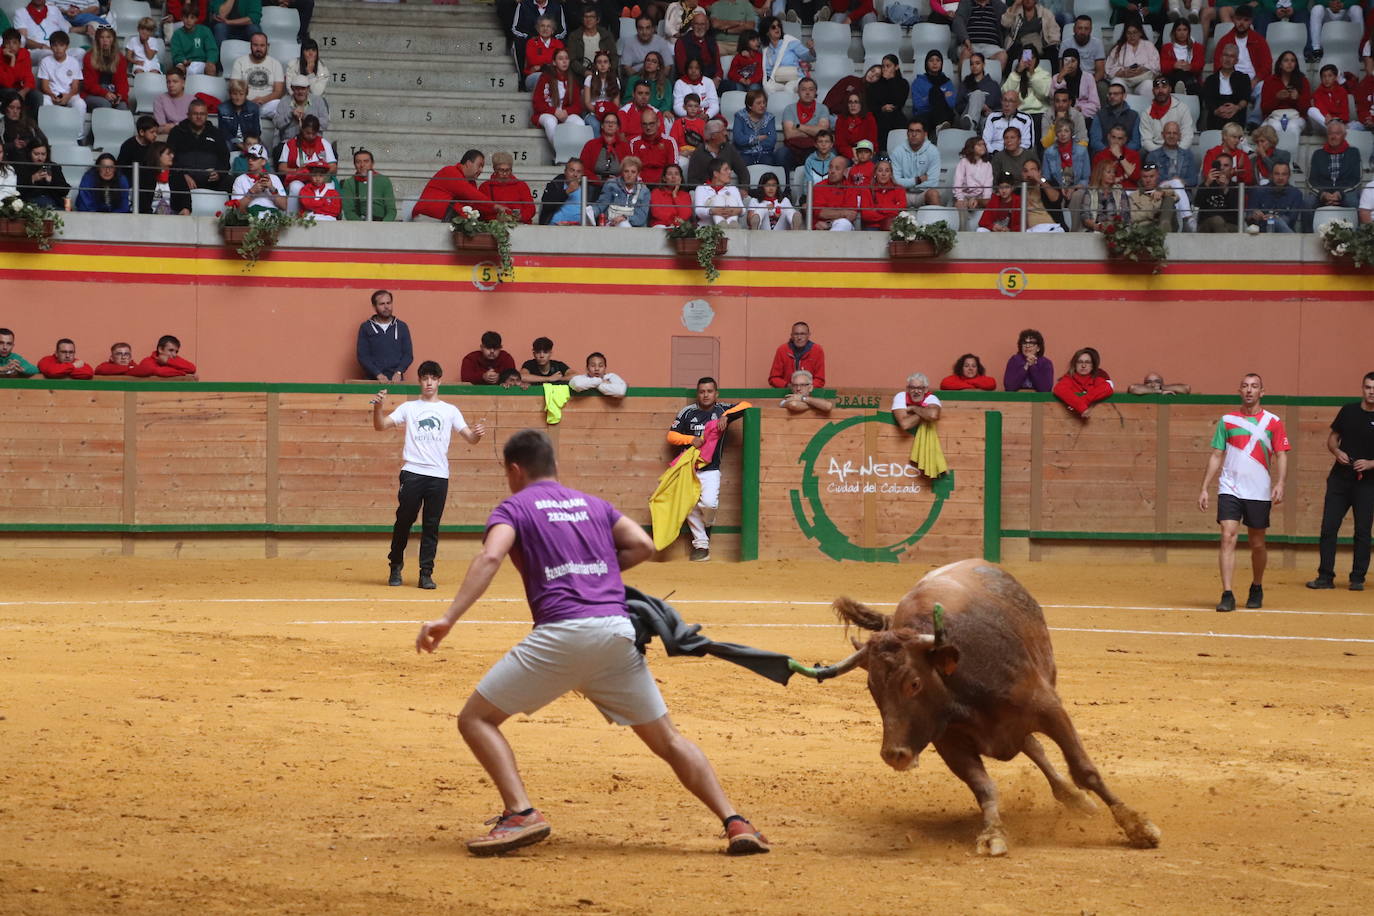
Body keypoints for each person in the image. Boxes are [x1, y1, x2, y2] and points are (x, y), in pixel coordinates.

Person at [414, 428, 769, 857]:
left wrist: (449, 617)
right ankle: (734, 821)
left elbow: (491, 555)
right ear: (555, 467)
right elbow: (642, 544)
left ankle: (520, 812)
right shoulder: (592, 504)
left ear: (514, 470)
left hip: (562, 633)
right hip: (615, 633)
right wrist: (600, 574)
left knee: (476, 720)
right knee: (669, 741)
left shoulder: (515, 506)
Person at [372, 361, 485, 590]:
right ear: (420, 381)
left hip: (438, 475)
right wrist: (378, 407)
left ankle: (426, 573)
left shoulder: (450, 410)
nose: (429, 382)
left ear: (439, 381)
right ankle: (395, 565)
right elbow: (381, 426)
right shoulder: (409, 408)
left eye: (433, 378)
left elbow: (470, 439)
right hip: (413, 471)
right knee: (404, 521)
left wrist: (478, 434)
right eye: (425, 378)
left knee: (431, 526)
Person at [1198, 373, 1290, 612]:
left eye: (1254, 387)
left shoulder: (1273, 422)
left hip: (1259, 490)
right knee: (1228, 535)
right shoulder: (1227, 420)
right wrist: (1205, 487)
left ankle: (1256, 586)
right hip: (1230, 488)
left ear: (1262, 392)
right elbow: (1217, 455)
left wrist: (1280, 482)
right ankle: (1227, 593)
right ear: (1239, 391)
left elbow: (1281, 454)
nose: (1249, 390)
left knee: (1257, 543)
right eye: (1245, 386)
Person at [666, 378, 751, 562]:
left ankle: (709, 522)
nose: (706, 395)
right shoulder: (687, 412)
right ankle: (701, 545)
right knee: (688, 505)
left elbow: (747, 405)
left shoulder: (721, 410)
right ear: (698, 394)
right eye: (702, 391)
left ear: (716, 394)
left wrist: (727, 416)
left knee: (709, 504)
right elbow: (671, 436)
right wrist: (690, 440)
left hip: (711, 468)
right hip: (688, 468)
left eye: (709, 391)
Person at [1308, 372, 1374, 592]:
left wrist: (1370, 463)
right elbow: (1333, 438)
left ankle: (1357, 578)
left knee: (1363, 531)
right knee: (1328, 527)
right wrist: (1336, 452)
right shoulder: (1348, 411)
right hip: (1339, 479)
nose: (1371, 391)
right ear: (1362, 388)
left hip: (1368, 483)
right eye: (1367, 387)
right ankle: (1325, 576)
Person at [412, 150, 494, 223]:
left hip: (446, 222)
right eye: (479, 165)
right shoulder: (450, 171)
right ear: (468, 163)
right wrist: (494, 206)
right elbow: (468, 192)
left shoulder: (471, 183)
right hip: (427, 219)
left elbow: (471, 206)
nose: (481, 170)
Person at [1306, 118, 1363, 219]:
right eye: (1330, 134)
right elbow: (1311, 180)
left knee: (1352, 202)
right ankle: (1307, 234)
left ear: (1344, 135)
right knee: (1308, 203)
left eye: (1337, 133)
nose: (1333, 137)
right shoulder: (1318, 154)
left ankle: (1355, 233)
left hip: (1346, 191)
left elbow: (1357, 179)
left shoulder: (1353, 152)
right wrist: (1322, 194)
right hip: (1323, 191)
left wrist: (1340, 193)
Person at [357, 289, 412, 383]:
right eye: (382, 304)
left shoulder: (402, 326)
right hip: (372, 381)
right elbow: (363, 356)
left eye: (388, 303)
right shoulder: (365, 327)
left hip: (396, 381)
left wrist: (399, 372)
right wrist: (377, 374)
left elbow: (408, 355)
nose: (386, 307)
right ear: (374, 307)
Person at [229, 32, 284, 118]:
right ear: (250, 46)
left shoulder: (276, 64)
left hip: (266, 105)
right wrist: (249, 103)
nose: (258, 48)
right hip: (244, 104)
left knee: (279, 104)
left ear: (267, 46)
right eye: (255, 45)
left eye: (262, 45)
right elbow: (234, 88)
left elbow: (278, 91)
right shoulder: (239, 62)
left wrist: (262, 100)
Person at [891, 120, 943, 208]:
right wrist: (917, 180)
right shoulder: (898, 151)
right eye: (911, 131)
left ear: (925, 134)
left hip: (923, 193)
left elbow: (932, 182)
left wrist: (907, 182)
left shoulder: (933, 151)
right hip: (903, 193)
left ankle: (939, 221)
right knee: (888, 193)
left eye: (918, 131)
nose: (914, 134)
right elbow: (895, 181)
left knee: (933, 194)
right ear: (907, 133)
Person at [1213, 5, 1271, 82]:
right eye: (1239, 19)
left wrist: (1255, 81)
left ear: (1251, 21)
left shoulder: (1259, 41)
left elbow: (1267, 65)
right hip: (1231, 80)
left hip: (1255, 81)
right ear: (1233, 19)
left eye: (1246, 20)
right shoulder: (1225, 41)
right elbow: (1218, 65)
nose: (1241, 23)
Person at [686, 118, 748, 190]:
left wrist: (744, 189)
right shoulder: (699, 153)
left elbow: (743, 172)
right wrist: (708, 190)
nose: (726, 133)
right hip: (706, 193)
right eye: (722, 131)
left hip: (726, 191)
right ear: (713, 136)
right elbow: (692, 180)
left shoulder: (729, 149)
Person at [1052, 346, 1112, 418]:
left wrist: (1083, 401)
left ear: (1092, 366)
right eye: (1080, 362)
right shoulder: (1068, 379)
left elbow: (1107, 388)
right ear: (1075, 365)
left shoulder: (1096, 379)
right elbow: (1059, 389)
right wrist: (1082, 407)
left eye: (1087, 362)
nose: (1083, 365)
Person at [1202, 43, 1252, 130]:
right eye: (1226, 55)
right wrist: (1217, 111)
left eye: (1232, 56)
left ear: (1236, 61)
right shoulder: (1211, 79)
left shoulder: (1243, 78)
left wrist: (1236, 107)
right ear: (1221, 58)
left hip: (1236, 115)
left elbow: (1245, 99)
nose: (1228, 59)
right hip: (1216, 115)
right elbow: (1208, 100)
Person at [955, 0, 1010, 79]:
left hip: (992, 48)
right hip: (970, 45)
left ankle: (989, 87)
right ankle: (964, 87)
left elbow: (1008, 22)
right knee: (965, 53)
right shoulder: (966, 3)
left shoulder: (999, 5)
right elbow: (958, 21)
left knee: (1002, 56)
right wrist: (965, 39)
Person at [338, 148, 396, 222]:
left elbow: (391, 210)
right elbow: (348, 211)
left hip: (381, 222)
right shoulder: (349, 183)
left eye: (366, 161)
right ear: (354, 165)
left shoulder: (384, 180)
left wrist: (383, 225)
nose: (362, 165)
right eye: (358, 162)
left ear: (372, 163)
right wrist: (362, 226)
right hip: (358, 224)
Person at [592, 154, 651, 226]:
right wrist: (590, 212)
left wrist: (624, 218)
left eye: (633, 172)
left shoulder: (644, 191)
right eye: (626, 171)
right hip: (611, 223)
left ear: (638, 174)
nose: (629, 175)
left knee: (624, 224)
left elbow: (641, 217)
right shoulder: (611, 184)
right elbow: (601, 205)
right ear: (622, 172)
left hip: (634, 227)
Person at [1140, 76, 1195, 153]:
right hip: (1156, 152)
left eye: (1164, 87)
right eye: (1157, 88)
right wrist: (1162, 153)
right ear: (1153, 91)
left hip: (1179, 150)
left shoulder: (1182, 108)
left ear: (1170, 89)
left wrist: (1175, 152)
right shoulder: (1146, 113)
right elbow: (1146, 141)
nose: (1160, 91)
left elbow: (1188, 137)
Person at [1104, 20, 1158, 98]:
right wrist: (1123, 72)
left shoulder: (1149, 46)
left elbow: (1156, 66)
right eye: (1129, 33)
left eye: (1135, 32)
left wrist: (1142, 68)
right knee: (1116, 83)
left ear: (1140, 33)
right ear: (1125, 34)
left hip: (1142, 80)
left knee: (1149, 85)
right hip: (1124, 81)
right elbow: (1108, 69)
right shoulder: (1118, 48)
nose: (1132, 36)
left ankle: (1146, 110)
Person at [37, 30, 84, 116]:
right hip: (51, 95)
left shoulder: (74, 62)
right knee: (44, 102)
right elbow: (44, 86)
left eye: (61, 45)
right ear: (51, 47)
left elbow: (75, 87)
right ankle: (46, 129)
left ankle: (78, 129)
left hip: (69, 94)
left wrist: (68, 96)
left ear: (66, 47)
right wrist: (52, 95)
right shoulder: (45, 61)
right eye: (55, 45)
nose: (58, 49)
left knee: (80, 104)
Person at [1247, 160, 1303, 231]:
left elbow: (1291, 220)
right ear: (1271, 175)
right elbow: (1248, 217)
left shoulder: (1296, 194)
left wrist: (1274, 218)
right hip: (1261, 233)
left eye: (1284, 174)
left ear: (1289, 176)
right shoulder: (1258, 191)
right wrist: (1253, 215)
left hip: (1284, 235)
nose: (1280, 178)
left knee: (1275, 221)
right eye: (1277, 174)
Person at [481, 151, 536, 224]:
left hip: (519, 223)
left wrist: (520, 217)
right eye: (501, 170)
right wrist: (497, 218)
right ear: (494, 169)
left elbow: (531, 209)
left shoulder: (521, 185)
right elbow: (483, 210)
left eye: (508, 170)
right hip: (496, 224)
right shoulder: (485, 187)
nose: (504, 174)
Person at [82, 24, 127, 111]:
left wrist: (119, 96)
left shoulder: (120, 58)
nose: (105, 40)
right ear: (97, 40)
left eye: (108, 37)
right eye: (102, 37)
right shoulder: (89, 57)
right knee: (105, 104)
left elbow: (123, 83)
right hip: (93, 94)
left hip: (113, 93)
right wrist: (104, 93)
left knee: (122, 106)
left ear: (113, 39)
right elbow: (89, 85)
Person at [1089, 79, 1141, 155]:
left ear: (1124, 96)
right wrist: (1110, 152)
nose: (1112, 96)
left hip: (1127, 155)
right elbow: (1095, 141)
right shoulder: (1100, 114)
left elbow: (1136, 142)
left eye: (1116, 94)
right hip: (1104, 154)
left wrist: (1120, 153)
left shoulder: (1134, 115)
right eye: (1110, 94)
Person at [230, 142, 286, 212]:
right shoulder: (239, 180)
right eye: (248, 157)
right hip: (250, 218)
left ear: (263, 161)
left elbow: (284, 206)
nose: (250, 160)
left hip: (272, 216)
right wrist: (251, 192)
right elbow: (236, 210)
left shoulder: (274, 178)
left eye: (254, 158)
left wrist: (272, 189)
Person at [630, 106, 679, 185]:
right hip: (640, 185)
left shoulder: (669, 141)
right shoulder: (634, 143)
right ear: (641, 125)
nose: (648, 127)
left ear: (658, 123)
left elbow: (673, 168)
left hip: (663, 185)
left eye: (651, 123)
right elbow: (633, 168)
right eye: (645, 124)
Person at [2, 29, 43, 121]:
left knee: (37, 95)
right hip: (3, 89)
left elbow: (28, 76)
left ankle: (31, 125)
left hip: (19, 89)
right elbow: (7, 82)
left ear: (19, 44)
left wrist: (24, 91)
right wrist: (12, 59)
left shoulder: (24, 53)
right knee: (11, 93)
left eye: (14, 43)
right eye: (8, 43)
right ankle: (10, 125)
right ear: (3, 45)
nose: (11, 46)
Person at [768, 322, 825, 389]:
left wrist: (806, 388)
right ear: (791, 335)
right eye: (796, 334)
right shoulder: (782, 350)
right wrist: (788, 386)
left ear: (808, 335)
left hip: (810, 393)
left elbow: (820, 379)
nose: (799, 337)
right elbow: (774, 378)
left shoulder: (817, 350)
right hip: (786, 392)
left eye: (803, 334)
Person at [1049, 49, 1098, 126]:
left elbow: (1095, 105)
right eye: (1067, 60)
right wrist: (1060, 78)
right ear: (1062, 63)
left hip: (1083, 114)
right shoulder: (1056, 77)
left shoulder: (1088, 77)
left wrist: (1080, 108)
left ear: (1078, 62)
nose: (1070, 64)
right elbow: (1053, 99)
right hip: (1061, 114)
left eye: (1073, 61)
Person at [567, 7, 615, 84]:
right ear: (582, 19)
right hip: (580, 75)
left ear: (597, 20)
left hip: (604, 74)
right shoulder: (574, 36)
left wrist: (607, 71)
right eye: (586, 17)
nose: (588, 20)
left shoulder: (606, 36)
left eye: (592, 17)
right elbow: (572, 59)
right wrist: (584, 71)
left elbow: (614, 56)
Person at [273, 74, 328, 142]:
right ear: (292, 88)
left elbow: (325, 124)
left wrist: (307, 118)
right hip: (289, 142)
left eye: (303, 88)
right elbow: (277, 124)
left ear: (308, 88)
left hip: (313, 143)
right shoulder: (284, 101)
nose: (300, 91)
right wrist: (290, 115)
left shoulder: (318, 101)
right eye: (297, 88)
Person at [811, 155, 861, 230]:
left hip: (840, 225)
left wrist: (829, 224)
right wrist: (843, 213)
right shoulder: (819, 186)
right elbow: (821, 213)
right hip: (820, 227)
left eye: (837, 168)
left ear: (845, 171)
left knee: (844, 223)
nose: (832, 171)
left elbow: (851, 215)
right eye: (830, 167)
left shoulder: (851, 188)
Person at [17, 141, 70, 210]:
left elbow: (65, 191)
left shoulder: (53, 167)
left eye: (43, 154)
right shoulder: (22, 167)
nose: (40, 158)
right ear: (29, 153)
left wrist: (51, 181)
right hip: (30, 205)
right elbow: (17, 191)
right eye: (36, 154)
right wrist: (32, 179)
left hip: (53, 205)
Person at [692, 157, 744, 227]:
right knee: (718, 198)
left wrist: (737, 210)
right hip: (707, 228)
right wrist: (712, 211)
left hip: (730, 226)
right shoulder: (701, 188)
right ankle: (721, 225)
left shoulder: (733, 189)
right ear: (716, 174)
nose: (730, 172)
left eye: (729, 169)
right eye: (726, 169)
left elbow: (743, 209)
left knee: (731, 199)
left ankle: (732, 224)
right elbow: (698, 211)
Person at [731, 89, 777, 167]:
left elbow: (771, 141)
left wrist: (749, 141)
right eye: (759, 103)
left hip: (765, 154)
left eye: (764, 102)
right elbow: (739, 139)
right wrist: (758, 138)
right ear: (750, 105)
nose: (762, 105)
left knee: (768, 162)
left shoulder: (770, 117)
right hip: (744, 154)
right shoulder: (740, 116)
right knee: (743, 164)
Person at [1159, 18, 1204, 97]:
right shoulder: (1167, 47)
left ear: (1188, 32)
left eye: (1185, 30)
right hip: (1172, 77)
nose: (1182, 33)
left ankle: (1182, 89)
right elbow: (1162, 66)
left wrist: (1190, 67)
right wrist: (1174, 65)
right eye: (1179, 30)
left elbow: (1200, 65)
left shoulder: (1197, 47)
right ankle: (1181, 89)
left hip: (1191, 76)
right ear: (1174, 32)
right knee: (1179, 73)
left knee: (1191, 81)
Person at [957, 52, 1001, 133]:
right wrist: (976, 105)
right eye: (971, 64)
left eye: (977, 63)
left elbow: (999, 108)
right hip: (967, 116)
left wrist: (988, 110)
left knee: (987, 121)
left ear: (983, 64)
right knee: (977, 93)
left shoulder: (993, 85)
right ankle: (971, 124)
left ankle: (974, 128)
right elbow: (959, 106)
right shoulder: (965, 83)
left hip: (986, 117)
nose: (974, 66)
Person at [619, 16, 672, 81]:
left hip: (657, 79)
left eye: (648, 28)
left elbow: (668, 66)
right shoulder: (629, 42)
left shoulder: (661, 42)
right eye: (641, 28)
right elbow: (626, 67)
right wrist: (641, 80)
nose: (644, 32)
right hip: (636, 79)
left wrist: (657, 80)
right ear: (636, 29)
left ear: (653, 29)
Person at [169, 6, 218, 76]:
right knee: (179, 69)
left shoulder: (205, 30)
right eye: (186, 17)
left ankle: (209, 87)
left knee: (211, 68)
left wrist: (210, 61)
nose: (188, 20)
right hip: (185, 63)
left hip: (203, 62)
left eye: (192, 18)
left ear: (196, 19)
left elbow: (212, 50)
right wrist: (183, 61)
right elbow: (176, 53)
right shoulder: (177, 34)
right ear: (182, 18)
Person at [1021, 157, 1066, 230]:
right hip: (1029, 231)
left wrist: (1040, 180)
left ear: (1039, 172)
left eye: (1033, 170)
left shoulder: (1049, 184)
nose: (1029, 173)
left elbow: (1056, 200)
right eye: (1025, 171)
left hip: (1051, 227)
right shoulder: (1019, 190)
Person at [1129, 162, 1177, 228]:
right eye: (1145, 177)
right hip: (1146, 228)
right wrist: (1153, 208)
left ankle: (1164, 224)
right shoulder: (1134, 196)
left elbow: (1176, 196)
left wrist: (1163, 193)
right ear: (1141, 177)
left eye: (1151, 176)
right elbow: (1133, 217)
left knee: (1168, 199)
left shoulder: (1165, 189)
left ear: (1157, 176)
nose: (1148, 180)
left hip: (1164, 224)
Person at [540, 156, 585, 225]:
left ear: (582, 174)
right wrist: (567, 191)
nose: (575, 175)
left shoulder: (587, 188)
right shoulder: (555, 184)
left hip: (580, 229)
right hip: (555, 226)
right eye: (572, 170)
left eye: (578, 172)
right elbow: (547, 206)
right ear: (565, 172)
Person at [1308, 64, 1352, 135]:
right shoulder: (1317, 92)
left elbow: (1345, 114)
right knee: (1311, 110)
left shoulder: (1342, 92)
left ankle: (1335, 128)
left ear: (1335, 77)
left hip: (1338, 122)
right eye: (1324, 76)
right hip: (1323, 124)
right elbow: (1320, 107)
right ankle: (1335, 129)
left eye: (1330, 76)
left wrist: (1334, 120)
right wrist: (1327, 116)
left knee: (1354, 125)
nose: (1326, 79)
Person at [130, 334, 198, 379]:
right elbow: (160, 372)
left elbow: (192, 368)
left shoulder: (173, 360)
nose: (174, 354)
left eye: (176, 351)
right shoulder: (147, 361)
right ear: (160, 349)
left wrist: (168, 361)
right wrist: (184, 374)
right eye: (171, 350)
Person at [953, 135, 993, 212]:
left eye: (983, 144)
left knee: (989, 202)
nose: (983, 147)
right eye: (979, 145)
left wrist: (982, 200)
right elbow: (957, 184)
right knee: (961, 204)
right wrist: (961, 199)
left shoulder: (987, 164)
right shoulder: (963, 162)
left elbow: (988, 186)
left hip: (979, 197)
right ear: (971, 147)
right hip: (964, 195)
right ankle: (963, 224)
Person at [834, 92, 877, 161]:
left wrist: (861, 154)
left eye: (856, 102)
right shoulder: (841, 119)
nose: (853, 105)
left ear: (861, 104)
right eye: (850, 102)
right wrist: (852, 154)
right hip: (847, 154)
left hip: (865, 152)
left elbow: (872, 141)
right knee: (838, 162)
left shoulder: (869, 118)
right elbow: (840, 144)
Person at [650, 161, 693, 227]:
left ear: (680, 178)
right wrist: (673, 219)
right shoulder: (656, 192)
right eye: (670, 174)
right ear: (664, 178)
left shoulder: (685, 195)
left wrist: (675, 195)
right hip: (661, 226)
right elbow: (656, 212)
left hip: (679, 227)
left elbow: (685, 215)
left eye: (676, 174)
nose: (673, 177)